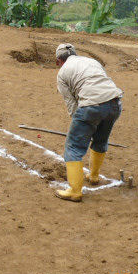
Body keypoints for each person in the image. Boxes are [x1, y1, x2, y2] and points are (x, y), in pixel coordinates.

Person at [54, 43, 123, 202]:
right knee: (100, 140)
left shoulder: (62, 73)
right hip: (115, 102)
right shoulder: (92, 61)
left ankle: (75, 191)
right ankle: (93, 176)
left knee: (73, 146)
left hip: (91, 106)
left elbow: (72, 104)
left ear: (59, 61)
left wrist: (78, 126)